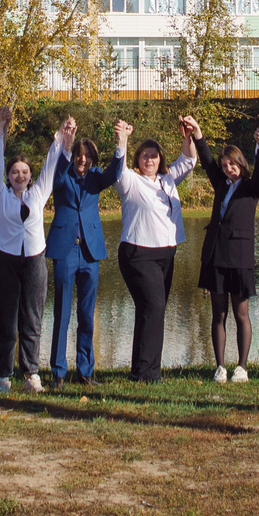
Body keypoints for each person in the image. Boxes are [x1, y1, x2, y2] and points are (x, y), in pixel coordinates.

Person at [0, 109, 67, 394]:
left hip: (33, 261)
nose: (20, 176)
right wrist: (1, 127)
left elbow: (51, 164)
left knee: (32, 320)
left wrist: (61, 134)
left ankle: (31, 374)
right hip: (3, 260)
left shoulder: (38, 193)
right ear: (8, 176)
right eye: (14, 172)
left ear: (30, 176)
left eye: (24, 172)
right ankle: (3, 377)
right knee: (5, 321)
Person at [110, 117, 196, 382]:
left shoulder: (168, 180)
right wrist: (122, 140)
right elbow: (116, 170)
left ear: (161, 159)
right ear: (137, 161)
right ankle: (148, 374)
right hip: (138, 253)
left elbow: (190, 160)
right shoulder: (130, 182)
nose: (150, 160)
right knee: (154, 307)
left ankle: (141, 370)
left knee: (151, 309)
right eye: (145, 156)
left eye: (154, 156)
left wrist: (188, 136)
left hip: (165, 253)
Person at [193, 120, 259, 383]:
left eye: (233, 165)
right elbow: (206, 161)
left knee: (241, 313)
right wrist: (198, 134)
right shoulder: (221, 184)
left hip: (240, 257)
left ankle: (242, 366)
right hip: (216, 255)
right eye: (225, 166)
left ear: (241, 164)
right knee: (219, 314)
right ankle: (220, 366)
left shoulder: (251, 186)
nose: (228, 170)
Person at [46, 121, 118, 385]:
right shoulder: (62, 175)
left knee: (87, 315)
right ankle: (58, 373)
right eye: (79, 155)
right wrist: (66, 145)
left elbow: (114, 173)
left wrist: (121, 144)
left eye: (87, 156)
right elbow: (57, 177)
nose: (83, 160)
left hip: (90, 252)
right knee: (62, 314)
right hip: (65, 251)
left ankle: (85, 372)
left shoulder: (96, 177)